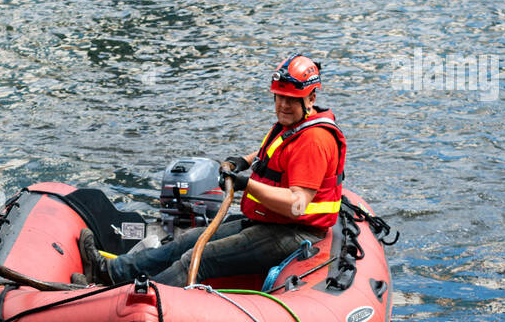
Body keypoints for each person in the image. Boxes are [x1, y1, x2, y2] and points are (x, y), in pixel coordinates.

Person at [76, 54, 347, 289]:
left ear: (310, 98)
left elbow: (297, 205)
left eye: (292, 99)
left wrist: (244, 184)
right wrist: (243, 161)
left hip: (294, 233)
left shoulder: (315, 141)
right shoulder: (294, 125)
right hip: (271, 223)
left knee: (199, 257)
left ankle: (133, 297)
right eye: (280, 97)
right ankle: (110, 272)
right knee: (188, 240)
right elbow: (276, 155)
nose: (283, 105)